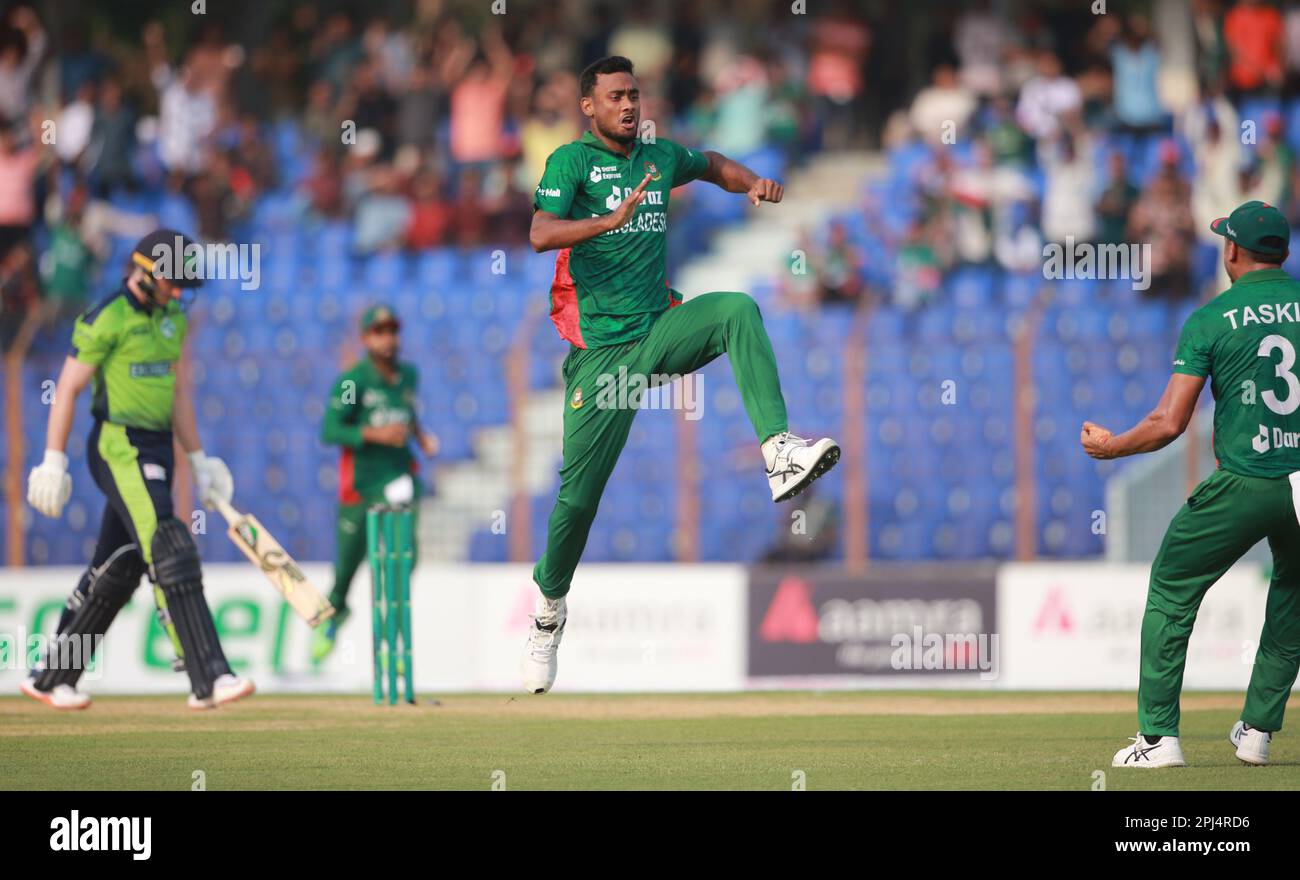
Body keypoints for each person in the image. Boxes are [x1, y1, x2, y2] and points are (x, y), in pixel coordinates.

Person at [524, 55, 840, 694]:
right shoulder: (571, 164)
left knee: (737, 310)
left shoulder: (656, 156)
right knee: (577, 502)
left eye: (633, 95)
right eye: (614, 96)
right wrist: (605, 222)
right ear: (589, 106)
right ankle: (548, 610)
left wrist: (751, 180)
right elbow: (538, 234)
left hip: (655, 332)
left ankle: (779, 451)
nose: (628, 105)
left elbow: (710, 164)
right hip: (602, 357)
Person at [1082, 201, 1300, 768]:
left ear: (1232, 250)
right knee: (1294, 597)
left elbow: (1168, 423)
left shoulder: (1212, 318)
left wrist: (1111, 446)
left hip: (1244, 482)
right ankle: (1256, 734)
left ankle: (1159, 740)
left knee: (1172, 587)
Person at [24, 228, 252, 710]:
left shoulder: (172, 320)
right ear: (145, 273)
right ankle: (208, 674)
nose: (177, 293)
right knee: (167, 543)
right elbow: (66, 389)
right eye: (172, 282)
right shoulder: (107, 317)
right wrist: (52, 459)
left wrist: (198, 459)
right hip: (118, 444)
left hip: (159, 449)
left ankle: (51, 677)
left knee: (121, 563)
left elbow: (176, 395)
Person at [313, 305, 438, 662]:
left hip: (399, 476)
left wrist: (422, 437)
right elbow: (331, 430)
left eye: (392, 331)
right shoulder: (354, 382)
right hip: (360, 488)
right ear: (366, 338)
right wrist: (376, 434)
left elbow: (408, 414)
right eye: (379, 332)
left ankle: (390, 634)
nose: (388, 339)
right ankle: (335, 612)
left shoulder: (408, 377)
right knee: (346, 568)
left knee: (403, 558)